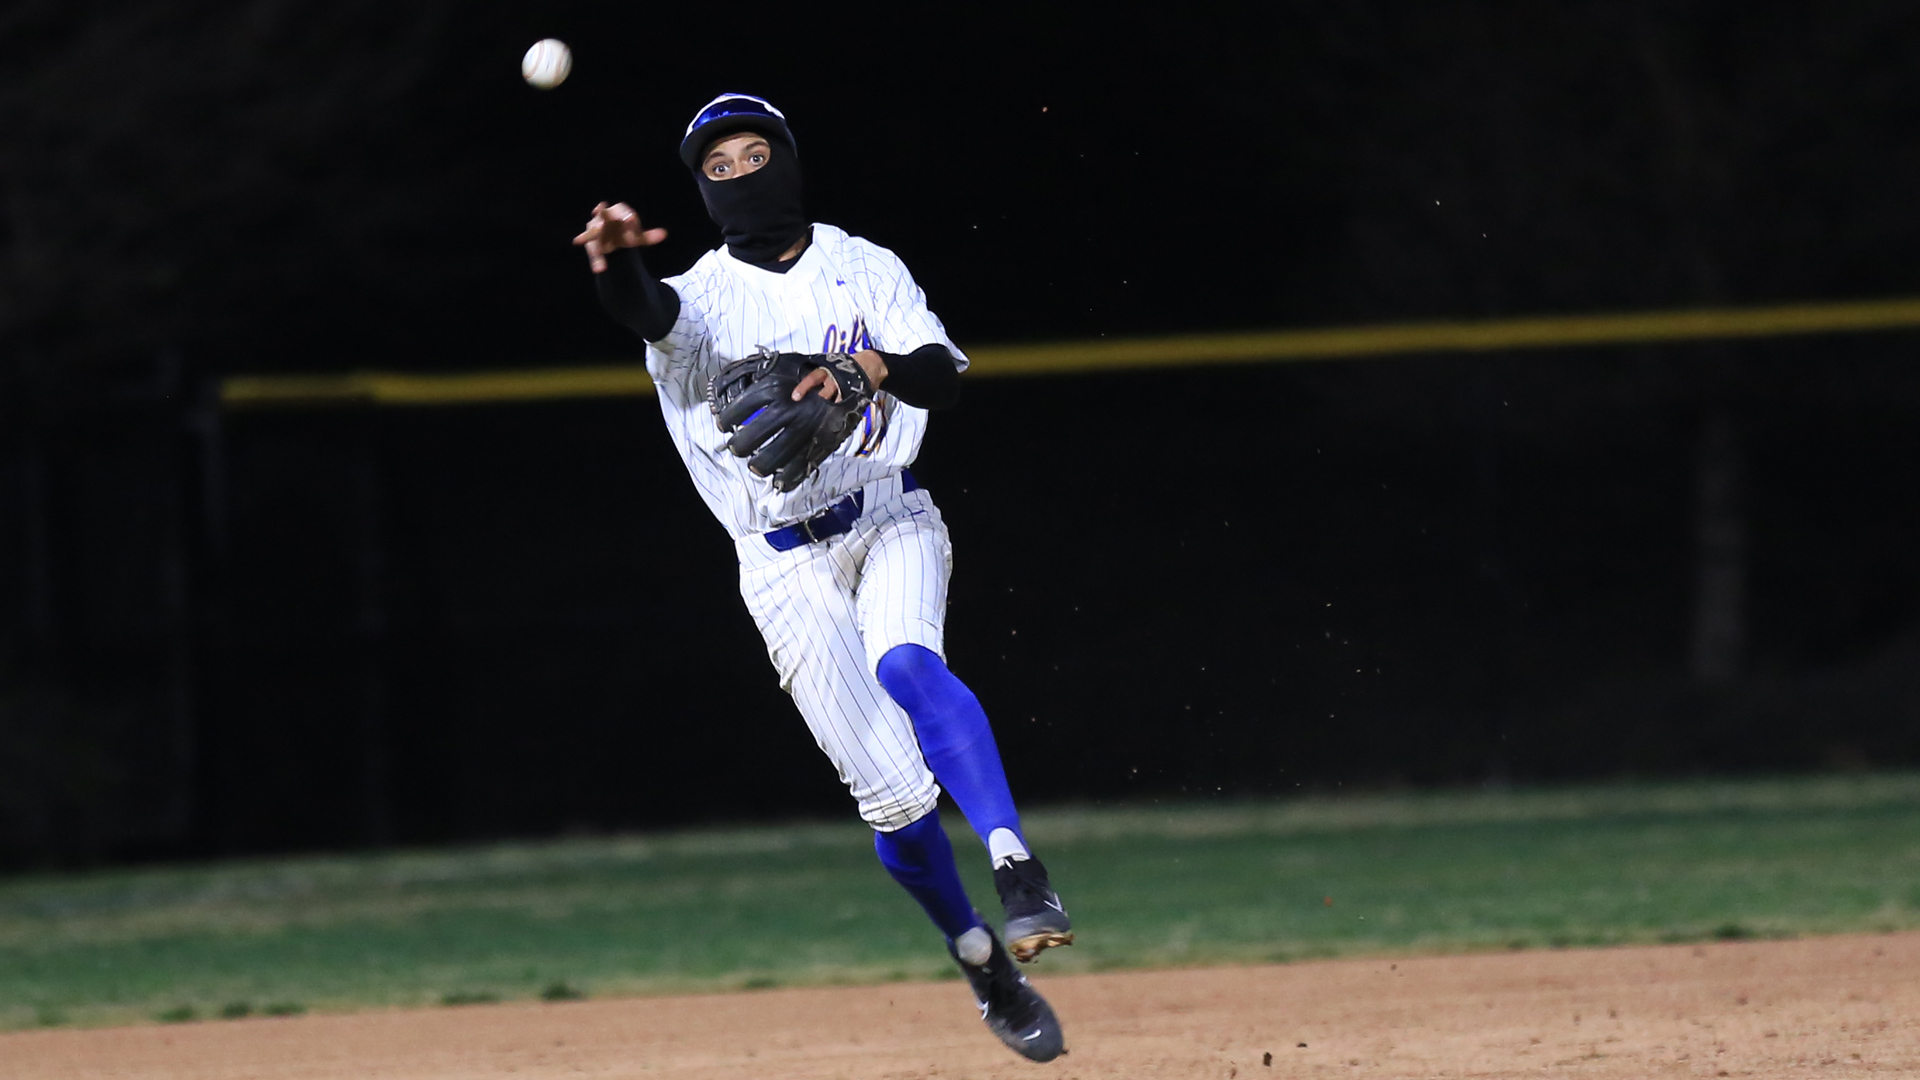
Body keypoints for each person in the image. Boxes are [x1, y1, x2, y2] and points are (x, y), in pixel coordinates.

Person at [572, 93, 1070, 1062]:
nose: (742, 173)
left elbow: (942, 373)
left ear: (790, 160)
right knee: (895, 807)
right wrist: (617, 263)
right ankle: (980, 961)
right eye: (719, 167)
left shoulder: (863, 263)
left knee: (905, 664)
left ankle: (1019, 868)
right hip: (782, 566)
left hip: (890, 514)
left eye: (758, 154)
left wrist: (863, 373)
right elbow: (648, 310)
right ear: (700, 191)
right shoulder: (701, 297)